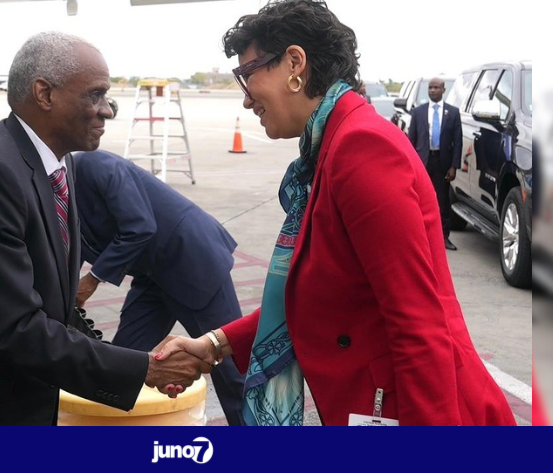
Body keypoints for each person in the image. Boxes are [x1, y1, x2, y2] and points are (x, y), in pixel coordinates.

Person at [156, 0, 516, 426]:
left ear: (295, 64)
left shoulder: (362, 148)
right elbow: (314, 297)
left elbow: (417, 324)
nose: (247, 98)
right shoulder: (328, 149)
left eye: (247, 74)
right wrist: (215, 345)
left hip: (417, 412)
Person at [0, 32, 207, 426]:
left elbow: (50, 306)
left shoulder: (58, 164)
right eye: (95, 94)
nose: (107, 110)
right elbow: (18, 329)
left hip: (18, 398)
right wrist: (144, 369)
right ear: (44, 94)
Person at [71, 149, 246, 426]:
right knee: (124, 363)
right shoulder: (55, 194)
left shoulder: (95, 165)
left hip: (192, 260)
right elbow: (70, 246)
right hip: (153, 275)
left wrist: (91, 280)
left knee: (232, 373)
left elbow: (139, 227)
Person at [407, 77, 463, 251]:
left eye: (436, 87)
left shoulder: (453, 113)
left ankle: (443, 237)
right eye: (430, 87)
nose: (432, 90)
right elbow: (411, 140)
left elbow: (458, 141)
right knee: (419, 199)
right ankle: (420, 236)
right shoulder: (418, 112)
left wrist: (454, 166)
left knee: (442, 200)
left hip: (442, 162)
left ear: (443, 90)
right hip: (423, 161)